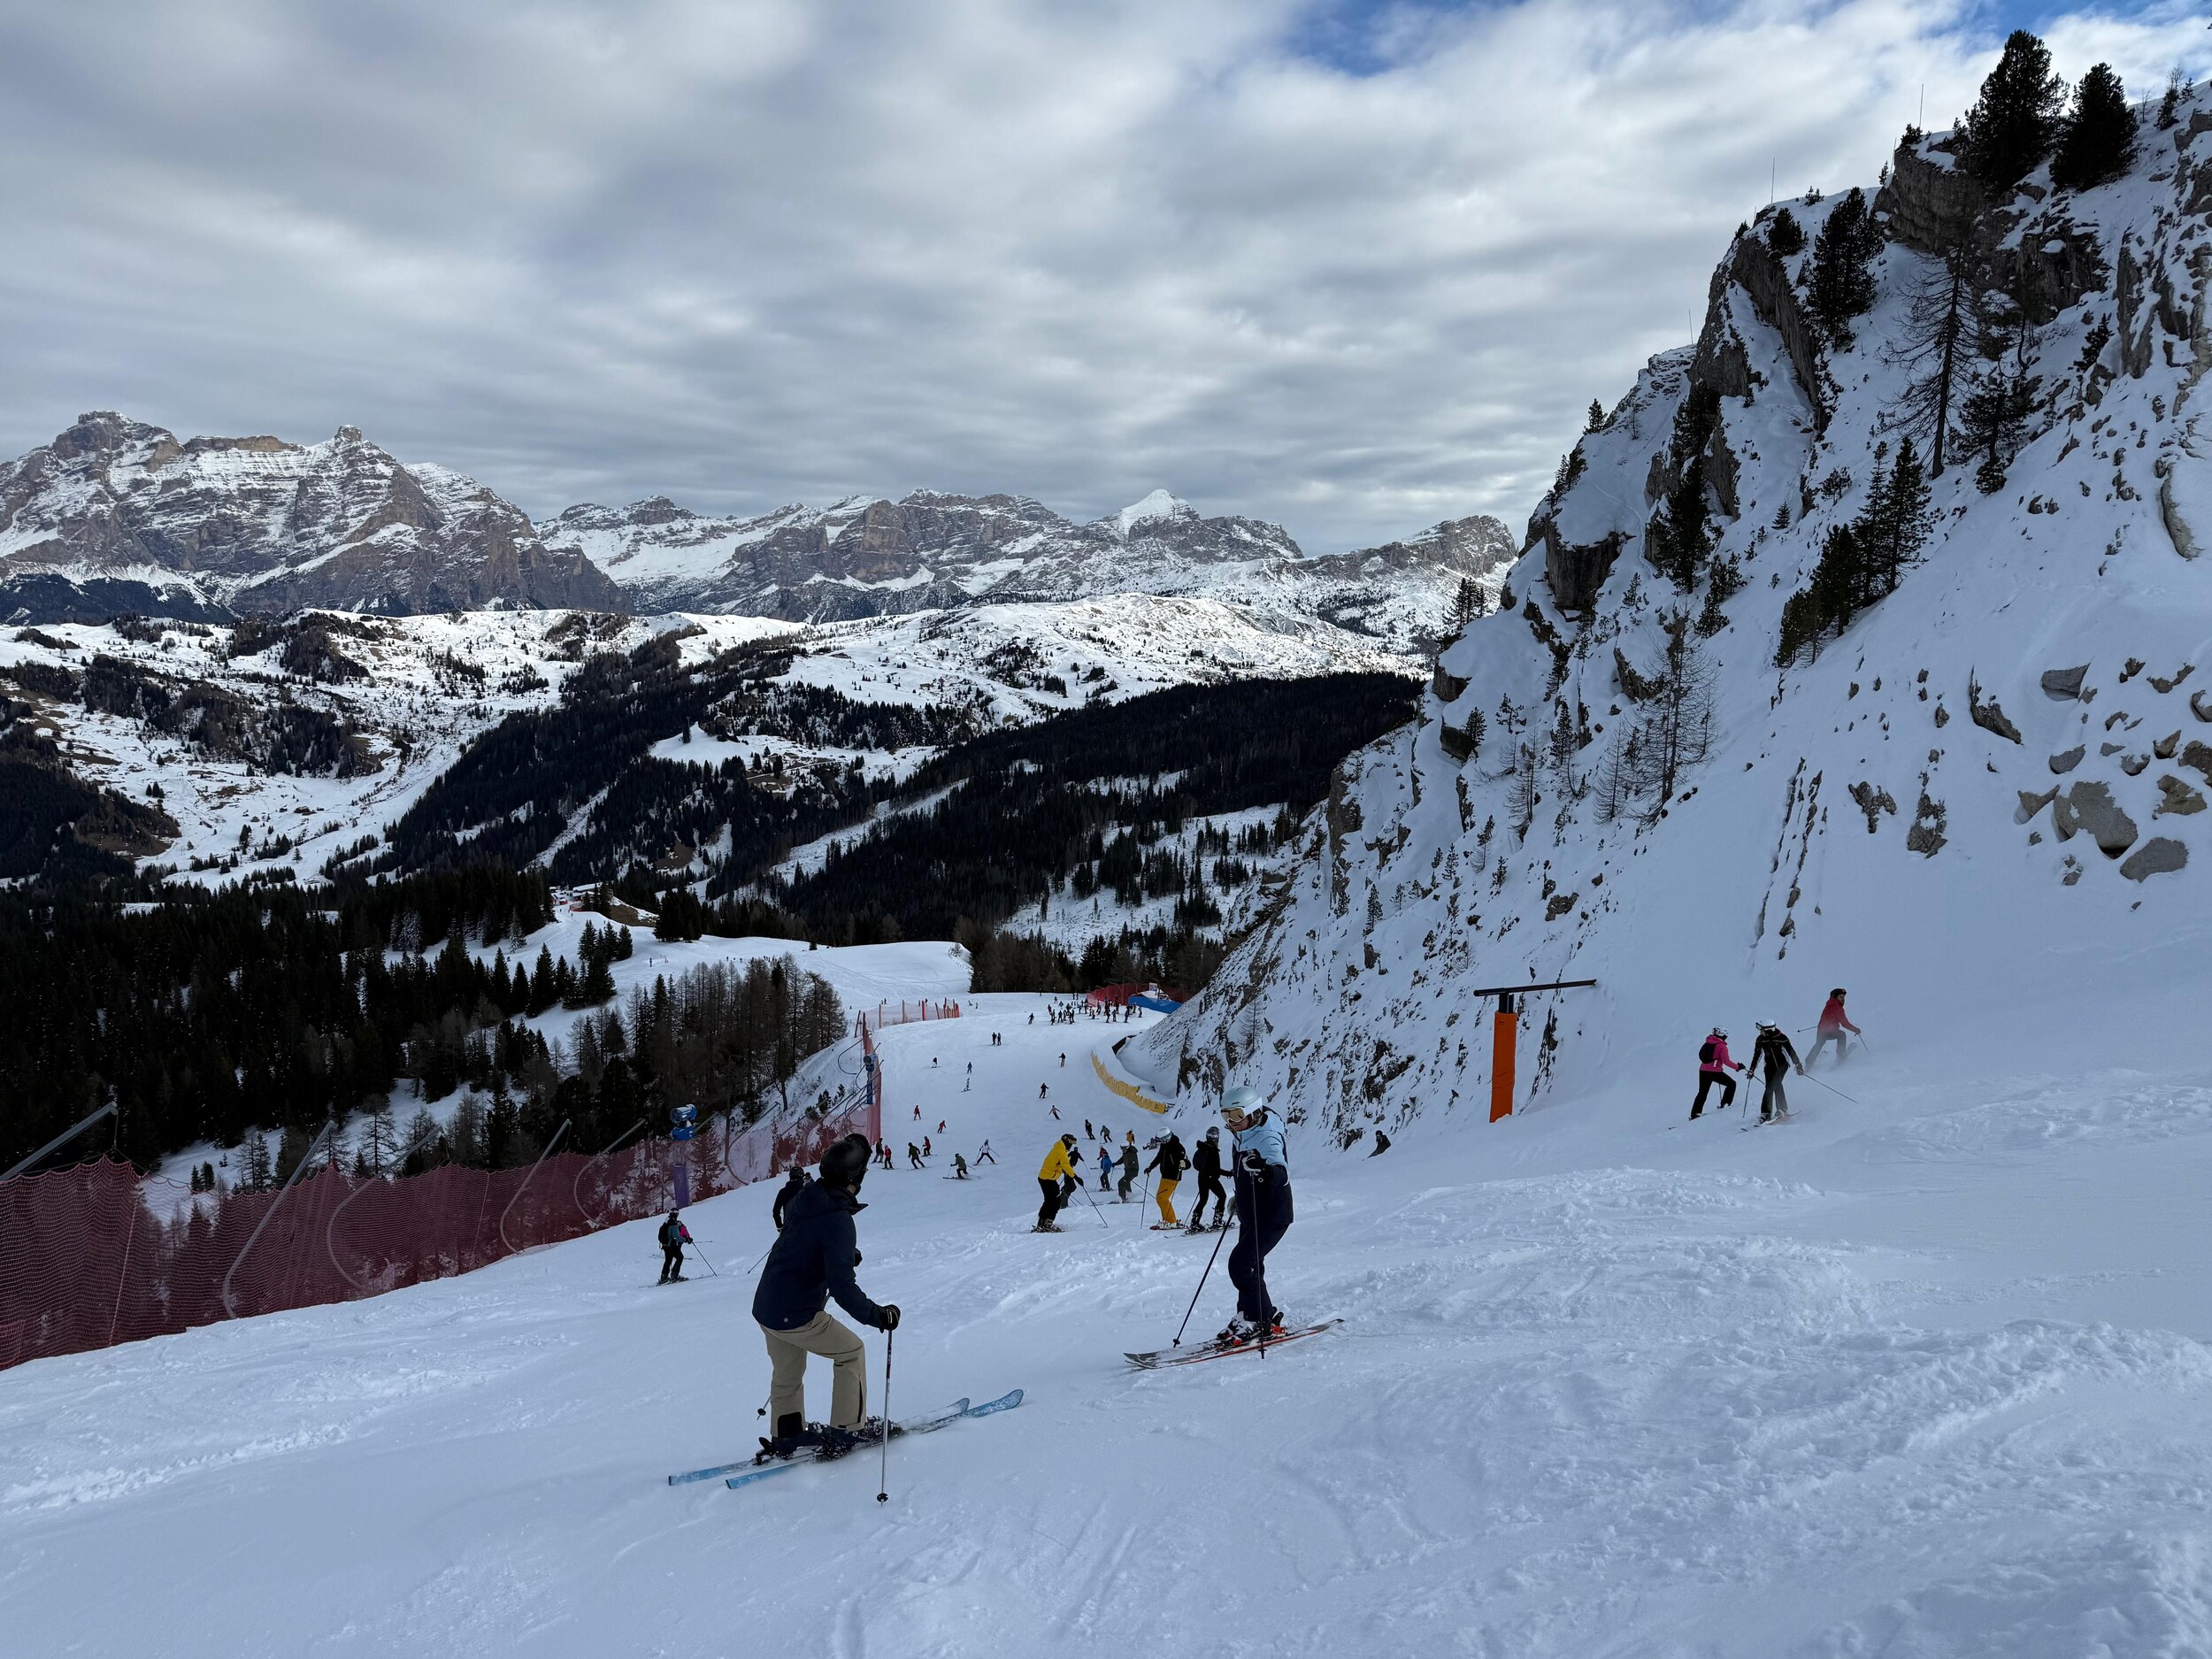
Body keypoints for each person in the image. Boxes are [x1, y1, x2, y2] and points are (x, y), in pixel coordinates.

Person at [753, 1133, 897, 1457]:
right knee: (851, 1352)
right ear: (855, 1178)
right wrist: (878, 1316)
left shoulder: (805, 1197)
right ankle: (847, 1430)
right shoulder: (837, 1220)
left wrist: (840, 1255)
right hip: (796, 1312)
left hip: (767, 1306)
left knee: (787, 1373)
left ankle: (787, 1435)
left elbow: (803, 1240)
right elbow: (843, 1288)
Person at [1221, 1087, 1292, 1340]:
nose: (1231, 1121)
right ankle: (1255, 1315)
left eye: (1237, 1114)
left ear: (1253, 1113)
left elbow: (1280, 1171)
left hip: (1272, 1214)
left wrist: (1266, 1170)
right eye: (1226, 1115)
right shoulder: (1242, 1132)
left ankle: (1257, 1319)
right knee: (1252, 1267)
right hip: (1250, 1211)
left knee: (1241, 1264)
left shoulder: (1267, 1136)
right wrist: (1239, 1199)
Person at [1750, 1020, 1805, 1122]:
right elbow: (1757, 1055)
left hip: (1782, 1065)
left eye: (1761, 1029)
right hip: (1769, 1066)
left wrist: (1797, 1064)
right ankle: (1769, 1112)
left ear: (1768, 1030)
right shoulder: (1760, 1039)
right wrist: (1752, 1069)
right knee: (1770, 1087)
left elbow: (1790, 1051)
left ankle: (1779, 1110)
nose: (1760, 1031)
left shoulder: (1781, 1037)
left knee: (1774, 1085)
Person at [1187, 1126, 1230, 1232]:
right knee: (1222, 1196)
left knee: (1203, 1200)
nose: (1214, 1138)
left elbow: (1196, 1165)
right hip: (1211, 1178)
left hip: (1202, 1177)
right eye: (1213, 1136)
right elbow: (1216, 1169)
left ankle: (1194, 1223)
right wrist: (1229, 1173)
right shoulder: (1213, 1150)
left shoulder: (1201, 1148)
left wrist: (1204, 1171)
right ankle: (1217, 1221)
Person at [1692, 1028, 1741, 1119]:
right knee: (1731, 1084)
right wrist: (1737, 1067)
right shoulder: (1722, 1046)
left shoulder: (1708, 1042)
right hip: (1714, 1071)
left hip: (1703, 1070)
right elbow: (1726, 1061)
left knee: (1702, 1092)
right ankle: (1725, 1105)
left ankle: (1695, 1113)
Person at [1036, 1133, 1079, 1232]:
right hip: (1048, 1179)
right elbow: (1066, 1165)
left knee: (1049, 1201)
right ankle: (1047, 1224)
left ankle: (1042, 1223)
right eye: (1070, 1142)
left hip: (1045, 1178)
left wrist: (1061, 1169)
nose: (1071, 1145)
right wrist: (1076, 1177)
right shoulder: (1061, 1151)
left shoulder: (1058, 1148)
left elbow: (1057, 1164)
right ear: (1066, 1141)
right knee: (1055, 1201)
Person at [1144, 1131, 1188, 1227]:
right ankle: (1166, 1220)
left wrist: (1184, 1165)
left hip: (1173, 1177)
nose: (1161, 1142)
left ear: (1167, 1138)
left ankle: (1171, 1221)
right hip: (1164, 1176)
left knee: (1162, 1198)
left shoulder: (1178, 1147)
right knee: (1160, 1198)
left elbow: (1187, 1163)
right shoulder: (1164, 1146)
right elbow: (1159, 1157)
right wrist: (1150, 1167)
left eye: (1162, 1140)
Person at [1810, 988, 1860, 1067]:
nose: (1843, 999)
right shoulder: (1838, 1008)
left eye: (1843, 997)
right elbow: (1844, 1023)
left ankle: (1808, 1062)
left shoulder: (1828, 1005)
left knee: (1818, 1044)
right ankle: (1841, 1055)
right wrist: (1856, 1030)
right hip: (1830, 1032)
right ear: (1835, 997)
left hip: (1821, 1031)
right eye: (1840, 997)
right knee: (1842, 1035)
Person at [657, 1209, 693, 1284]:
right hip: (671, 1245)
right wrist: (687, 1240)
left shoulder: (667, 1221)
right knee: (680, 1257)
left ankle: (664, 1277)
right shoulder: (673, 1223)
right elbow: (676, 1237)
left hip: (665, 1245)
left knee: (668, 1260)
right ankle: (674, 1276)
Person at [771, 1165, 810, 1232]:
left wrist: (779, 1227)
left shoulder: (783, 1192)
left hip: (788, 1229)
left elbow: (776, 1211)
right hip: (806, 1229)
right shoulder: (806, 1191)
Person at [1117, 1132, 1140, 1202]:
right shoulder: (1126, 1153)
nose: (1123, 1150)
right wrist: (1115, 1164)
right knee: (1126, 1182)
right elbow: (1122, 1160)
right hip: (1128, 1172)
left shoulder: (1132, 1154)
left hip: (1133, 1171)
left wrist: (1130, 1171)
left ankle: (1123, 1199)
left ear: (1127, 1147)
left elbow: (1134, 1164)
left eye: (1123, 1149)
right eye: (1122, 1149)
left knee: (1121, 1183)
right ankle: (1129, 1196)